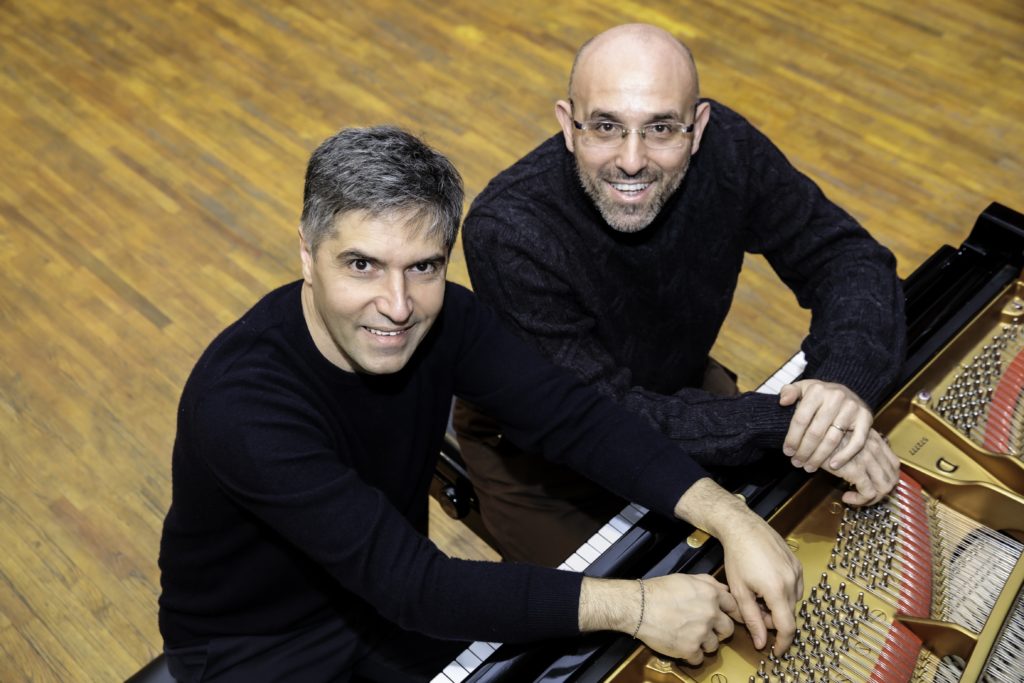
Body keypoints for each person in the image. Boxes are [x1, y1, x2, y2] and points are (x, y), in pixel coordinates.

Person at [158, 125, 804, 683]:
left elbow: (573, 416)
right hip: (259, 647)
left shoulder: (444, 320)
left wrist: (732, 517)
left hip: (384, 605)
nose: (397, 306)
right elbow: (417, 586)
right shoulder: (241, 405)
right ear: (307, 252)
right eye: (362, 265)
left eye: (423, 267)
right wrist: (635, 606)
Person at [455, 23, 905, 567]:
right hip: (548, 461)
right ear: (568, 125)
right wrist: (791, 424)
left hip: (673, 381)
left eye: (662, 128)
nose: (631, 160)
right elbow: (603, 418)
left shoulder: (728, 149)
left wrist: (840, 385)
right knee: (628, 602)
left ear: (698, 127)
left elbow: (845, 257)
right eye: (605, 126)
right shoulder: (510, 231)